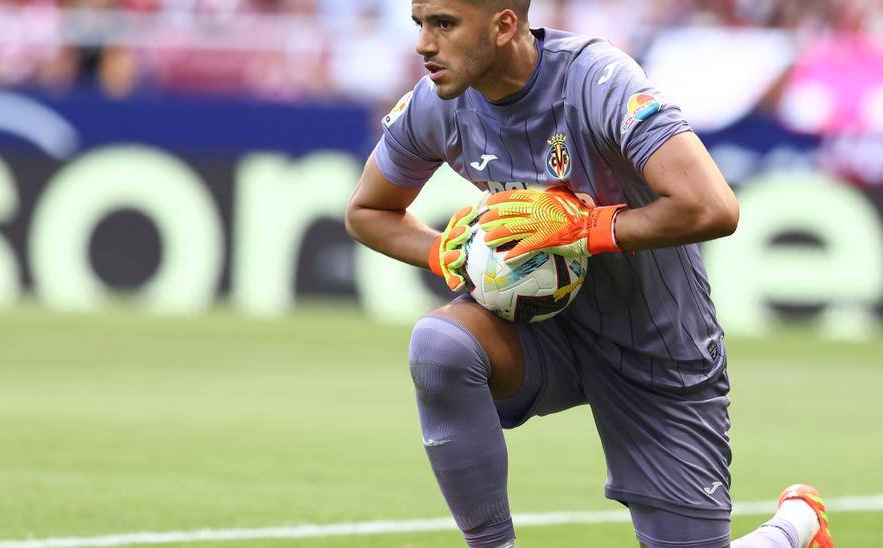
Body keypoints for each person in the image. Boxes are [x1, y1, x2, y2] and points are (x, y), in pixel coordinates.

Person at [344, 1, 835, 546]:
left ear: (504, 25)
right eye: (419, 24)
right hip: (543, 331)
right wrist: (444, 253)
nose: (423, 44)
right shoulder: (438, 103)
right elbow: (367, 212)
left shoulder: (598, 81)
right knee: (439, 345)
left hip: (655, 340)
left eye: (443, 24)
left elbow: (713, 207)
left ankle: (794, 529)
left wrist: (585, 229)